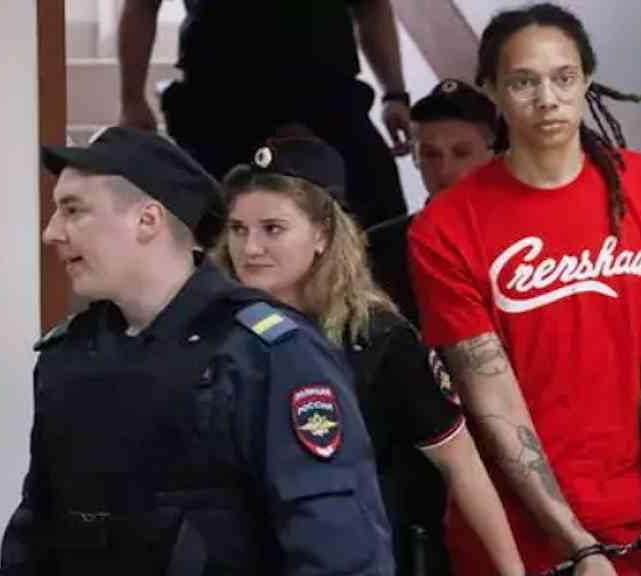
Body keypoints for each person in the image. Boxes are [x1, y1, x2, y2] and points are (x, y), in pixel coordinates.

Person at [406, 3, 641, 576]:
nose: (547, 98)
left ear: (587, 81)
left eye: (564, 77)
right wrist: (578, 545)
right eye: (523, 82)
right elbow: (490, 393)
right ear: (493, 91)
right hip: (517, 539)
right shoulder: (445, 228)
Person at [0, 126, 394, 575]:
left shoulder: (268, 356)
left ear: (147, 220)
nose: (51, 233)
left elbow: (339, 554)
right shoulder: (68, 356)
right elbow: (34, 538)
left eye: (73, 210)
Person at [213, 136, 525, 576]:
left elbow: (461, 465)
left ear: (322, 234)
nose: (249, 249)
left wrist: (511, 571)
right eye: (238, 229)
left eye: (273, 229)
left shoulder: (377, 337)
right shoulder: (214, 329)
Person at [117, 0, 411, 230]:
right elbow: (142, 6)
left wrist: (395, 94)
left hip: (326, 91)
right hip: (220, 99)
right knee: (209, 229)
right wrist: (132, 101)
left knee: (381, 219)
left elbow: (372, 7)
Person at [367, 78, 498, 326]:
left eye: (461, 153)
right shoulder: (378, 251)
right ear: (415, 158)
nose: (445, 170)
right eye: (430, 154)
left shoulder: (533, 235)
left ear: (493, 155)